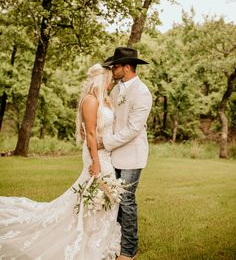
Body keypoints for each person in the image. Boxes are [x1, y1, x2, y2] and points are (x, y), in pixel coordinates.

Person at [0, 63, 122, 260]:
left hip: (107, 152)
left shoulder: (106, 100)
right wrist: (96, 161)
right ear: (101, 80)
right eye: (109, 79)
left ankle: (99, 235)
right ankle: (88, 234)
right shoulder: (90, 101)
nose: (111, 83)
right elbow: (90, 133)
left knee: (105, 193)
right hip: (96, 154)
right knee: (97, 189)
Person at [102, 47, 152, 260]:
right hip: (114, 155)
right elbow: (111, 121)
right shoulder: (115, 90)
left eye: (116, 65)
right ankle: (115, 241)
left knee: (127, 200)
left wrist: (106, 143)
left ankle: (128, 250)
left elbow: (133, 129)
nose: (113, 69)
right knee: (114, 199)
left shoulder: (142, 93)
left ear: (128, 67)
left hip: (132, 156)